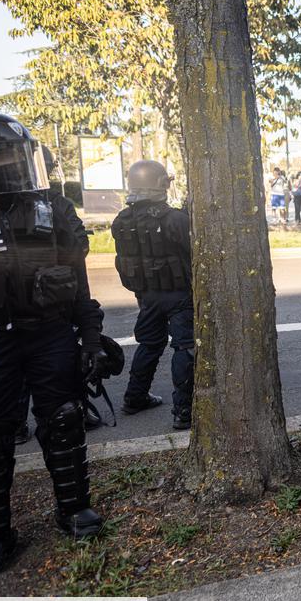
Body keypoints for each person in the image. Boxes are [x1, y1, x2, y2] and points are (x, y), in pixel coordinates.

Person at [0, 113, 106, 576]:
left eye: (14, 157)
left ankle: (73, 509)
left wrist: (92, 339)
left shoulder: (51, 208)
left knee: (64, 419)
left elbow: (77, 281)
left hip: (50, 331)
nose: (8, 167)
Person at [111, 160, 194, 431]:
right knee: (184, 347)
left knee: (149, 344)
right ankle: (183, 411)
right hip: (178, 294)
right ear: (160, 185)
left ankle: (135, 397)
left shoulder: (122, 221)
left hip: (146, 296)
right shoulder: (175, 219)